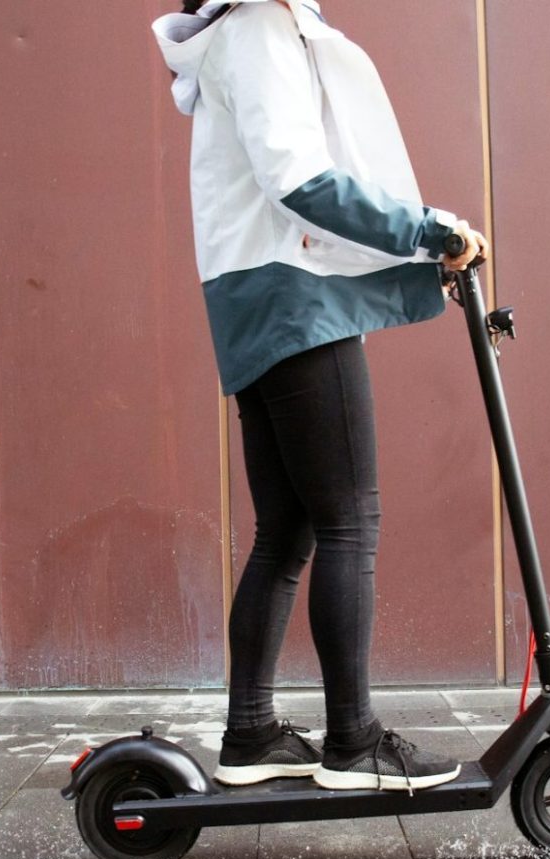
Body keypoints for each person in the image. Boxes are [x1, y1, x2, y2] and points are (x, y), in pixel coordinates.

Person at [152, 0, 489, 792]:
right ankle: (354, 741)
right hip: (294, 301)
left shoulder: (235, 37)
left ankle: (251, 731)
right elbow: (299, 178)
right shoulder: (261, 29)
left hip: (251, 301)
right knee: (349, 519)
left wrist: (414, 252)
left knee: (289, 528)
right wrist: (428, 229)